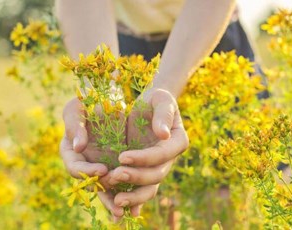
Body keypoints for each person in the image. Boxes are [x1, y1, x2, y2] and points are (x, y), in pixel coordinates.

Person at [56, 0, 259, 220]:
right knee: (141, 206)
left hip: (208, 37)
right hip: (120, 42)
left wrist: (165, 87)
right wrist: (99, 94)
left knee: (221, 204)